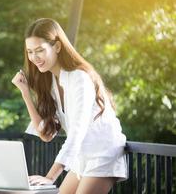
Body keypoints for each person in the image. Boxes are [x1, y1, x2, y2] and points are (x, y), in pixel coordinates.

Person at [11, 18, 127, 194]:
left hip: (103, 152)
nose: (34, 58)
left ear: (57, 47)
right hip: (81, 158)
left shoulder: (79, 77)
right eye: (30, 52)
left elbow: (77, 132)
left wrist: (50, 177)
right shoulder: (51, 83)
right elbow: (45, 134)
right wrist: (25, 94)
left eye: (40, 50)